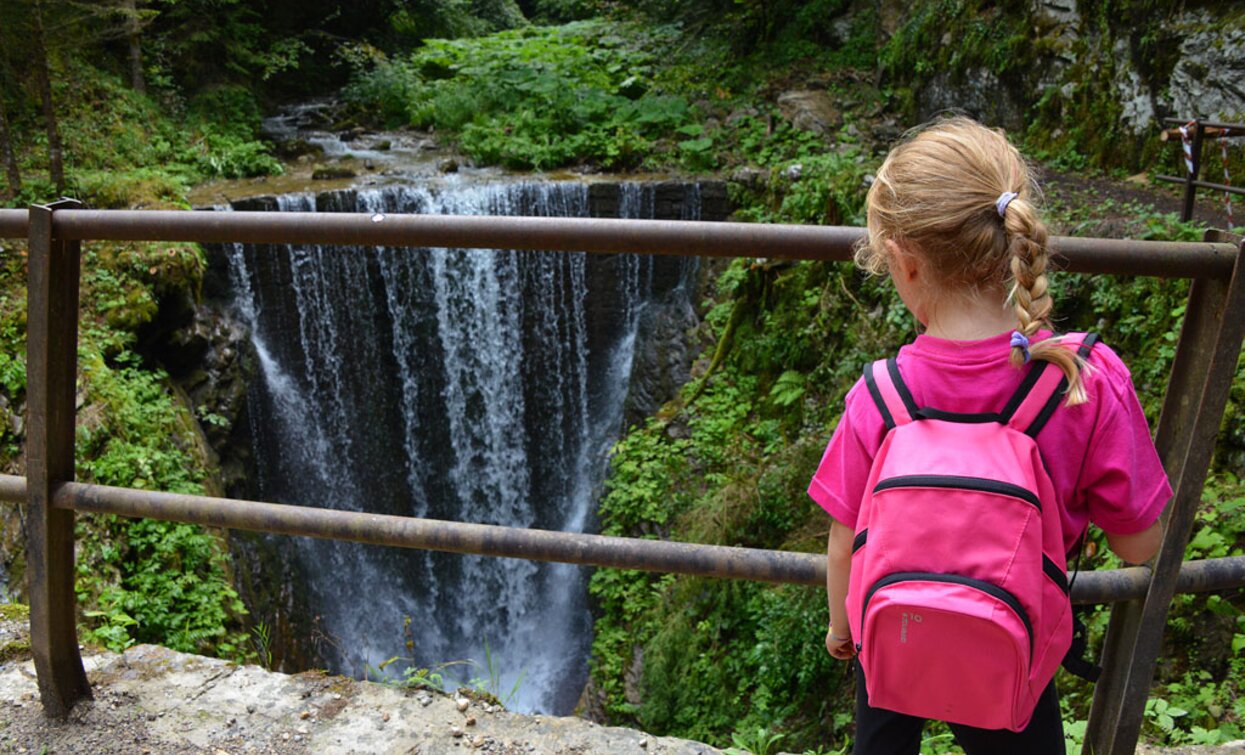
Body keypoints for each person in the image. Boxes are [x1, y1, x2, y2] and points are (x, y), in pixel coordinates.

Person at [806, 116, 1170, 754]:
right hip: (1012, 644)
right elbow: (1140, 545)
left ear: (902, 262)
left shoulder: (879, 394)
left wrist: (843, 629)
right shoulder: (1082, 381)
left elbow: (844, 541)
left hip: (892, 639)